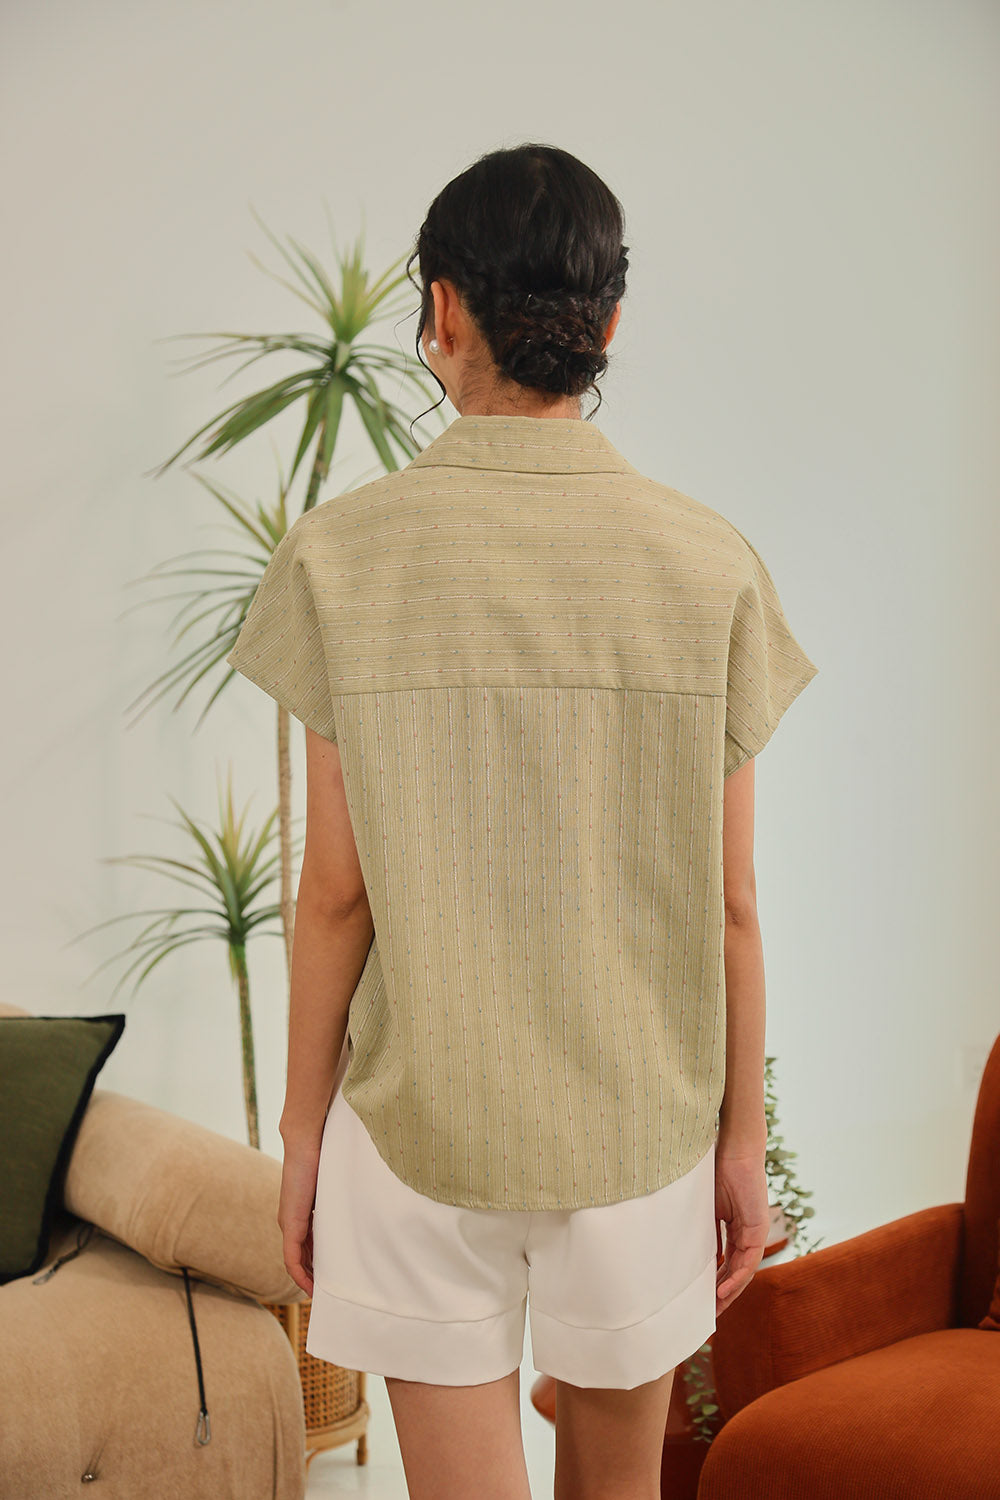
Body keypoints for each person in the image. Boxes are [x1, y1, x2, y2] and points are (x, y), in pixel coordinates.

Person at [226, 142, 819, 1500]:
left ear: (443, 310)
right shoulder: (709, 562)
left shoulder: (344, 555)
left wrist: (303, 1138)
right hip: (639, 1134)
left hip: (417, 1129)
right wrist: (739, 1148)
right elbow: (731, 903)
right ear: (609, 323)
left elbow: (336, 894)